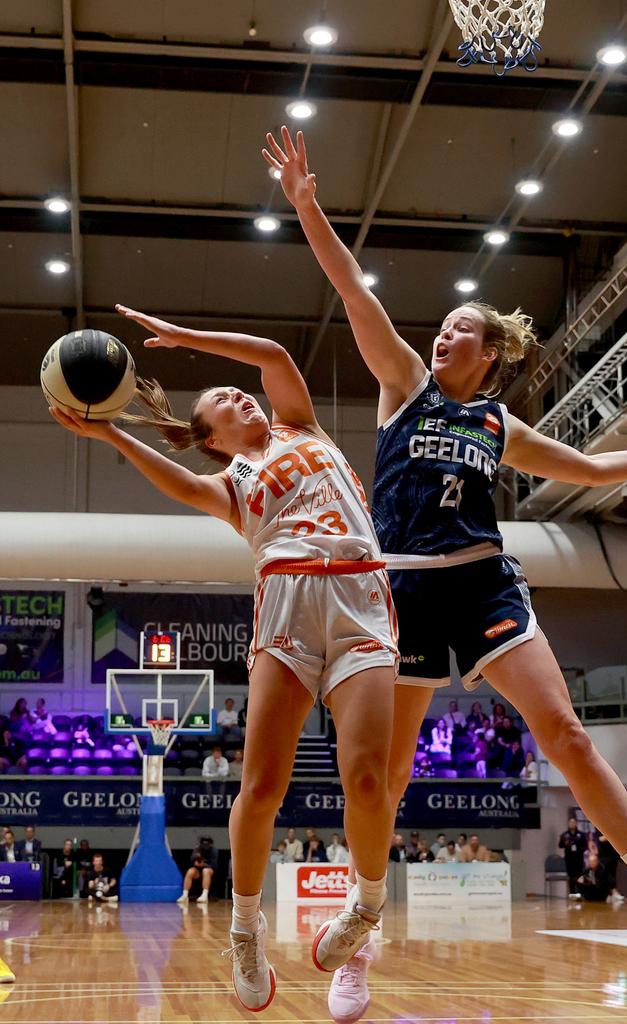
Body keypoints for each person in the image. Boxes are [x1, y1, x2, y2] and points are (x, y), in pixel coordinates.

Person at [265, 124, 627, 1014]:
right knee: (385, 781)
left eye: (459, 331)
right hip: (399, 593)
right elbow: (350, 288)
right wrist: (306, 204)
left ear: (487, 356)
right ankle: (364, 928)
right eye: (441, 327)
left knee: (564, 732)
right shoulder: (402, 384)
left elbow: (594, 470)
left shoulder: (498, 427)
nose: (441, 336)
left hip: (482, 581)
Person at [49, 304, 399, 1013]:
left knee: (366, 780)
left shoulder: (304, 426)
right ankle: (244, 929)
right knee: (262, 786)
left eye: (237, 392)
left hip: (362, 594)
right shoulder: (231, 487)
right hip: (286, 606)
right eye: (223, 405)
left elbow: (271, 352)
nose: (241, 396)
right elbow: (177, 483)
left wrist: (184, 337)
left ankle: (366, 905)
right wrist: (111, 430)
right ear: (213, 439)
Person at [178, 839, 218, 906]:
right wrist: (195, 861)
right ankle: (185, 895)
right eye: (203, 844)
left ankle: (204, 895)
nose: (205, 846)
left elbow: (214, 864)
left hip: (209, 870)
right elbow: (191, 861)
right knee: (190, 871)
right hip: (198, 870)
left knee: (205, 871)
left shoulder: (214, 851)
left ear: (211, 844)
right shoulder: (197, 849)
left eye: (207, 844)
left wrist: (204, 864)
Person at [558, 818, 586, 898]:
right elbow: (560, 845)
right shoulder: (565, 835)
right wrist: (565, 843)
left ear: (576, 823)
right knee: (571, 876)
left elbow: (585, 845)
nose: (572, 824)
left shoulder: (580, 834)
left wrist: (580, 849)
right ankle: (572, 893)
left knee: (579, 876)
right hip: (569, 859)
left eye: (573, 822)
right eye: (570, 822)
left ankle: (580, 893)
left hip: (579, 859)